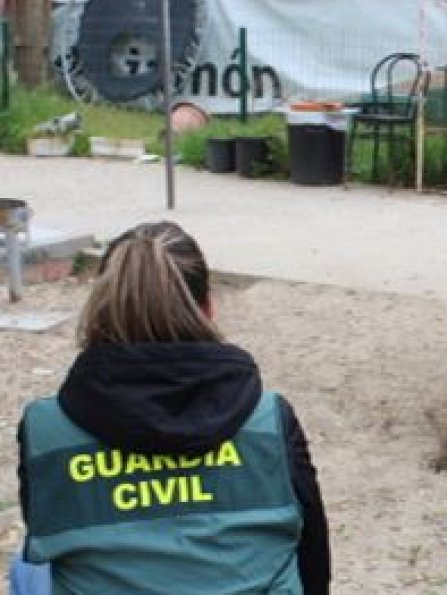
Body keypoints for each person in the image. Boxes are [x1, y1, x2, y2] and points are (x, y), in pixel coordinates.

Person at [10, 221, 330, 594]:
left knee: (28, 565)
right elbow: (314, 562)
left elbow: (48, 527)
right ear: (208, 307)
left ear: (99, 311)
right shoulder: (270, 419)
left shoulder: (46, 429)